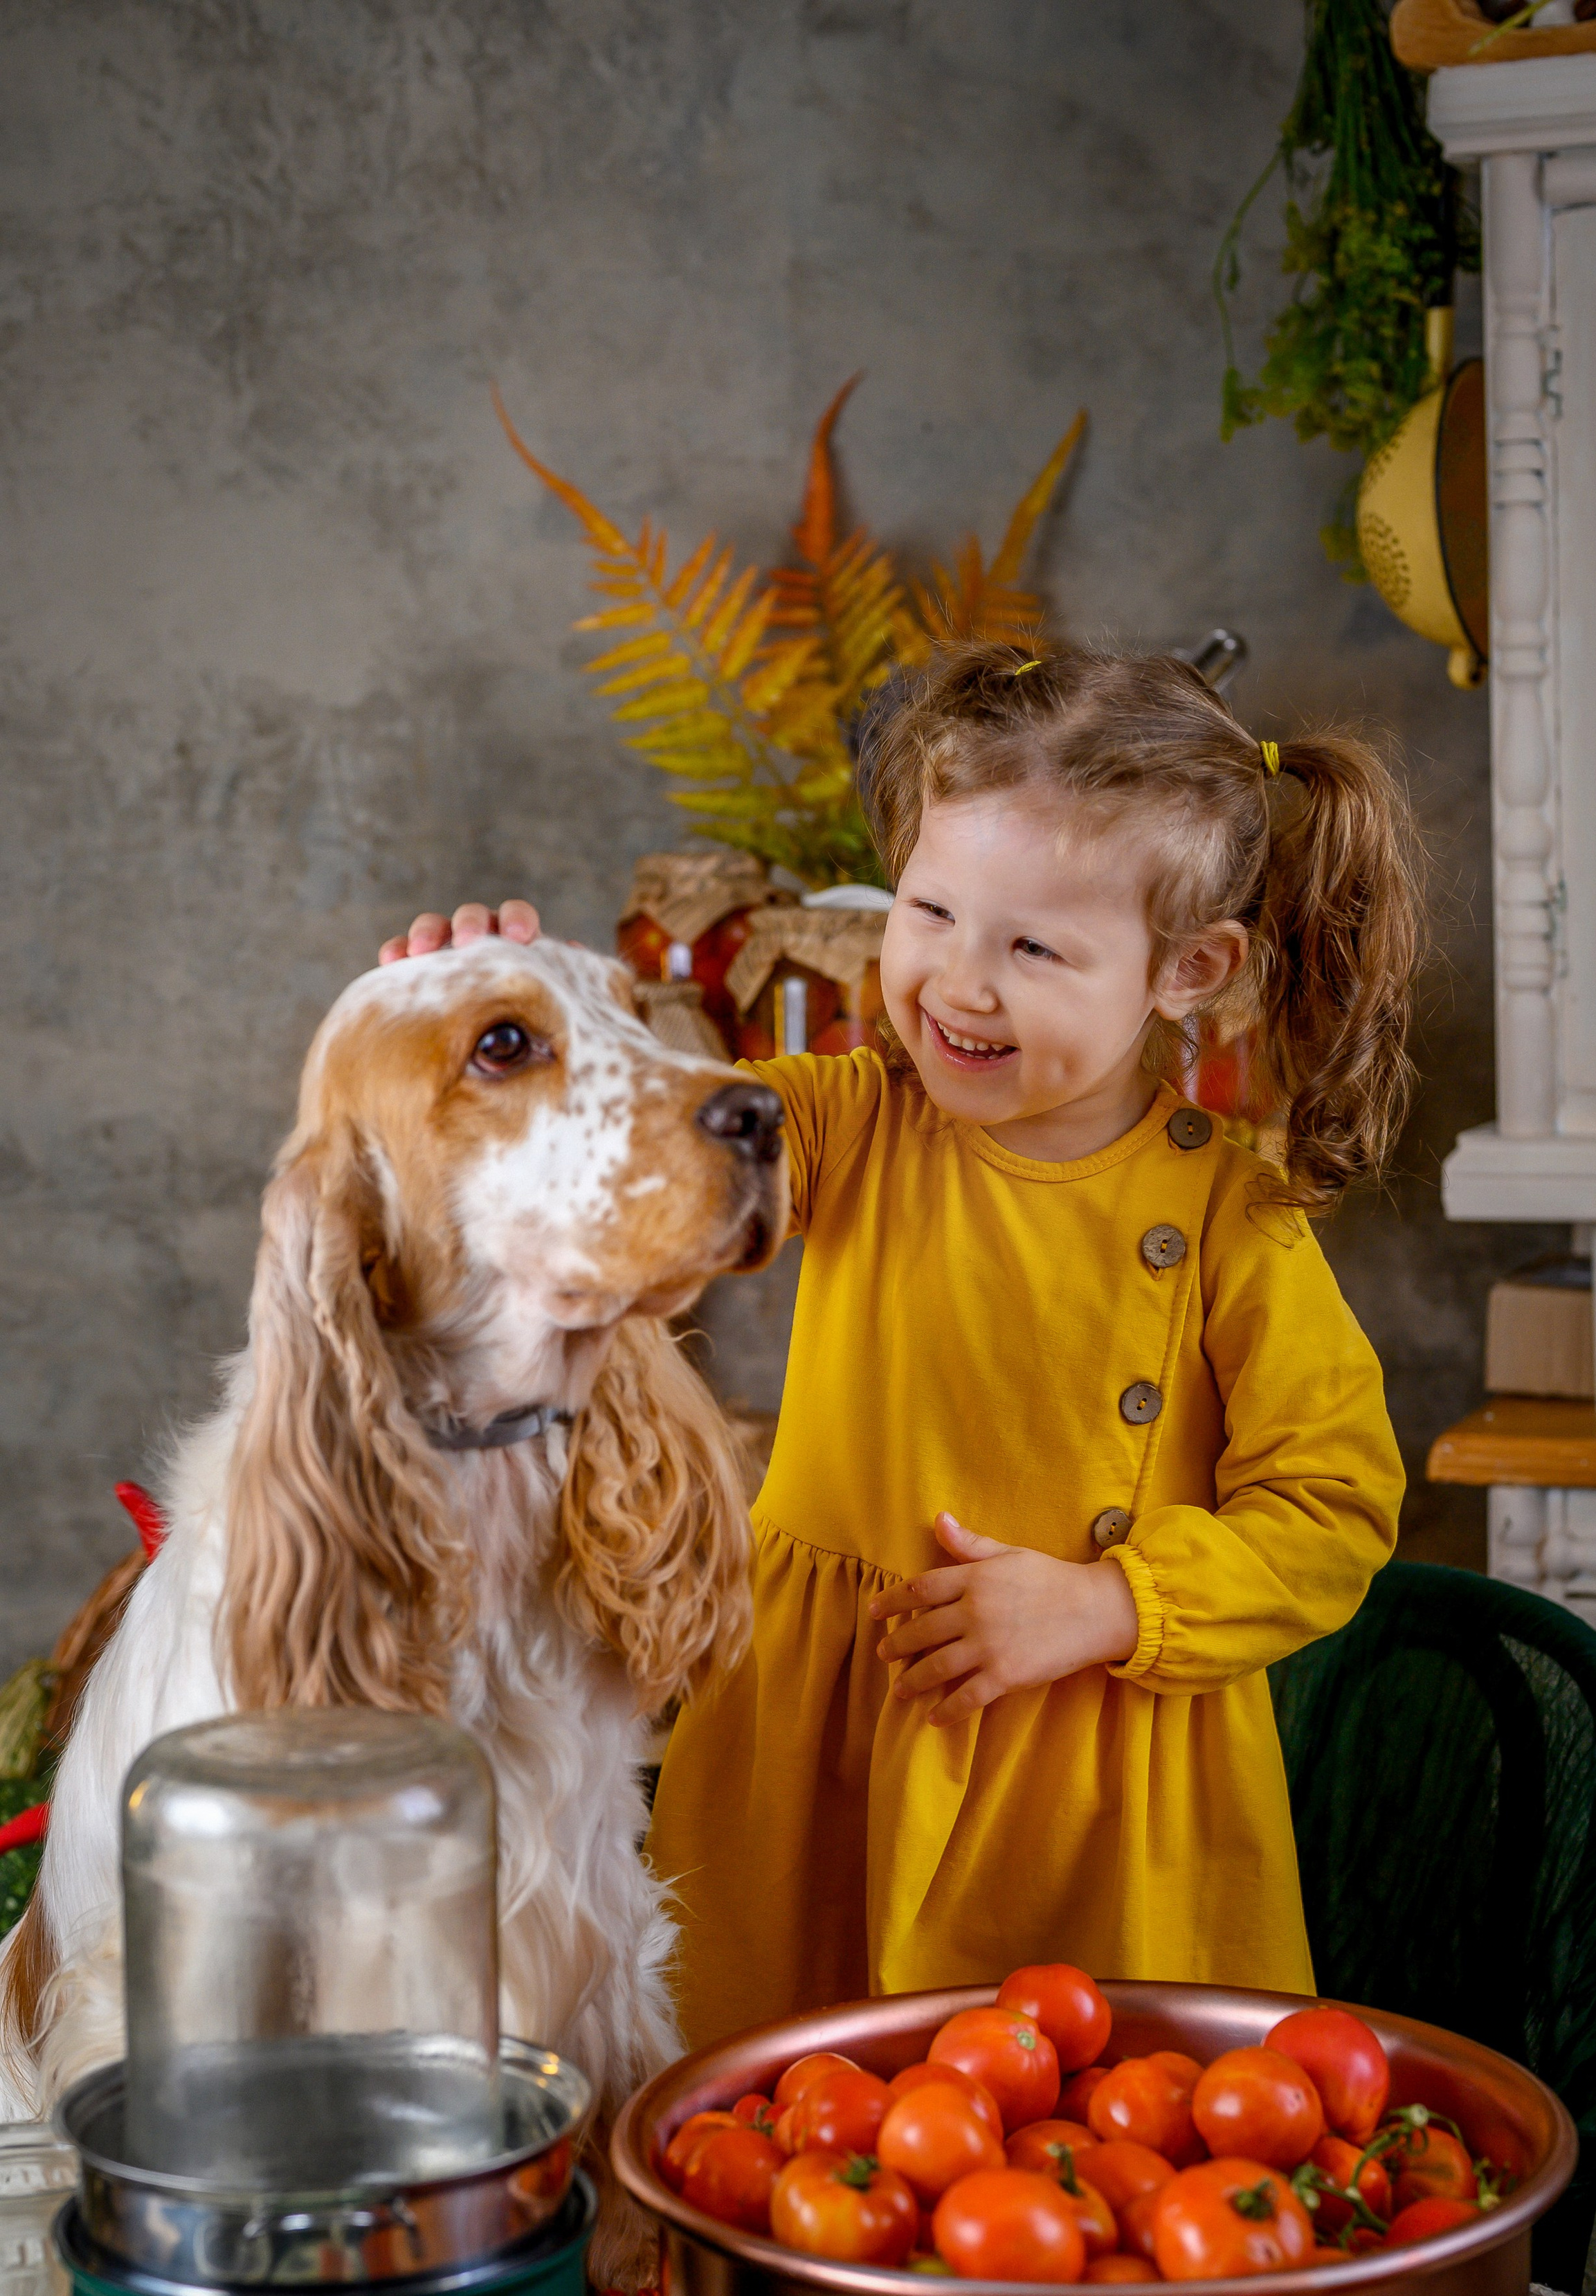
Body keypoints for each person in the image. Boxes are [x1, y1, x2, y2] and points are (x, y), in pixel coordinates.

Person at [384, 644, 1418, 2050]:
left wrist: (1109, 1605)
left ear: (1189, 969)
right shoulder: (844, 1122)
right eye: (928, 909)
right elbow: (640, 1160)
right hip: (809, 1751)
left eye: (1034, 947)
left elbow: (1334, 1507)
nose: (956, 984)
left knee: (1075, 2183)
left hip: (1087, 1796)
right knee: (760, 2139)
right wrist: (484, 1039)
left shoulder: (1232, 1218)